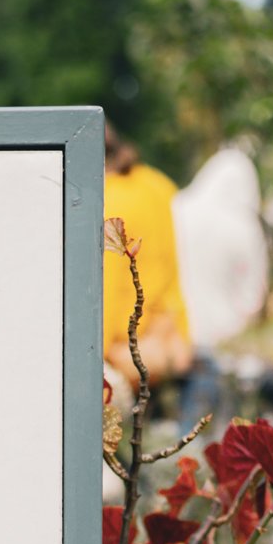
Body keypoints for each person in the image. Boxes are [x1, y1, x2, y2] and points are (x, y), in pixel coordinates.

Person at [103, 128, 193, 385]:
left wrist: (93, 352)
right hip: (172, 339)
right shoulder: (158, 183)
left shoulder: (108, 199)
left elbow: (106, 283)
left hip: (130, 351)